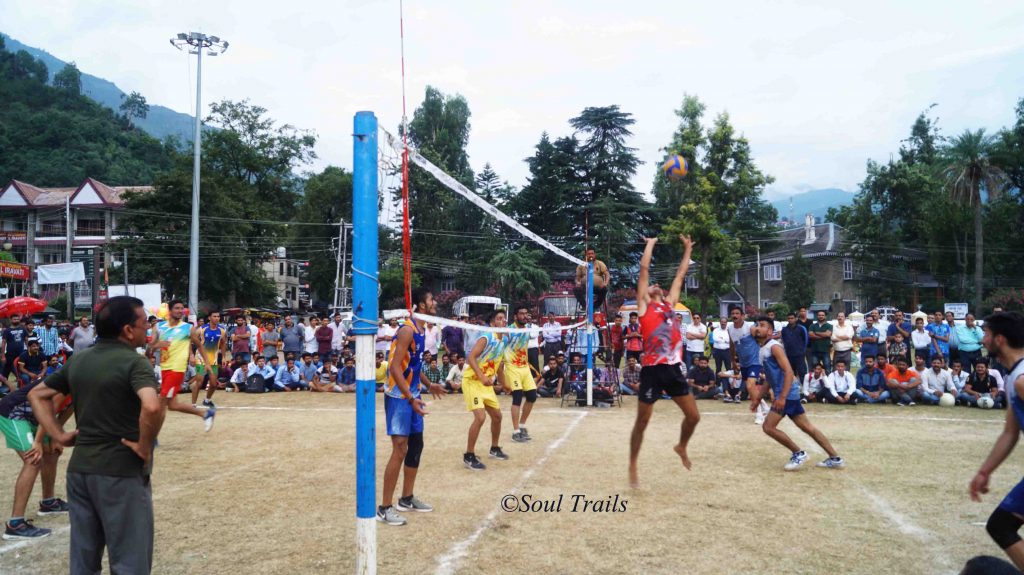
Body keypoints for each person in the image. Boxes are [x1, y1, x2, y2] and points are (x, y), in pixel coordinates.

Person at [28, 296, 166, 573]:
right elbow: (152, 405)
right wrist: (143, 444)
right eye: (143, 325)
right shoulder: (135, 363)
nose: (147, 331)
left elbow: (37, 394)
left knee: (83, 562)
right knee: (129, 561)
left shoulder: (79, 359)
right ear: (128, 330)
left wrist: (58, 435)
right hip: (121, 471)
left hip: (80, 472)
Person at [629, 235, 699, 489]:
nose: (654, 285)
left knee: (693, 417)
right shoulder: (644, 307)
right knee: (642, 422)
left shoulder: (669, 305)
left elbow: (680, 275)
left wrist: (687, 249)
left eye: (656, 285)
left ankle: (681, 445)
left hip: (673, 368)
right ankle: (633, 463)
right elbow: (644, 270)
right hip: (651, 370)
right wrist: (650, 243)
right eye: (650, 286)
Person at [378, 288, 445, 526]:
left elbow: (413, 365)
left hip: (413, 392)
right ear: (421, 305)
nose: (434, 301)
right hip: (399, 396)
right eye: (431, 298)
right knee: (399, 448)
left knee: (416, 444)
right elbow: (394, 368)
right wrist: (410, 397)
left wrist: (429, 385)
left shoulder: (421, 330)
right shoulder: (407, 329)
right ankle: (384, 508)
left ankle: (406, 498)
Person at [751, 315, 844, 470]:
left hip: (787, 394)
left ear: (770, 331)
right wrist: (758, 398)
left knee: (768, 427)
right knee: (808, 428)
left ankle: (798, 453)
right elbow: (769, 378)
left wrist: (782, 397)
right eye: (757, 325)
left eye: (762, 325)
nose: (757, 327)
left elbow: (788, 372)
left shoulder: (774, 347)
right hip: (788, 393)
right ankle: (835, 458)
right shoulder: (763, 349)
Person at [969, 311, 1024, 570]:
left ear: (999, 339)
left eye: (987, 334)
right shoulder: (1014, 376)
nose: (983, 340)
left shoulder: (1022, 379)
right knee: (1001, 526)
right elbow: (1010, 432)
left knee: (1001, 526)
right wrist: (985, 471)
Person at [0, 363, 72, 540]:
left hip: (35, 416)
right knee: (34, 459)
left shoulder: (85, 384)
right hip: (14, 412)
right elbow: (50, 409)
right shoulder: (67, 380)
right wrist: (38, 441)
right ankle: (15, 525)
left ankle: (48, 503)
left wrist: (56, 436)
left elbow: (67, 410)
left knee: (52, 453)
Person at [149, 300, 215, 430]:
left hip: (177, 369)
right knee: (173, 405)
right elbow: (151, 347)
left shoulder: (187, 328)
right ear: (169, 310)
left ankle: (152, 437)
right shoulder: (159, 327)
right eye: (177, 308)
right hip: (165, 368)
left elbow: (199, 345)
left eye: (182, 309)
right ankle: (206, 414)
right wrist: (157, 345)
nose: (180, 311)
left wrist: (207, 363)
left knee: (161, 403)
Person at [462, 309, 509, 471]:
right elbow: (471, 357)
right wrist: (481, 376)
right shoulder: (486, 336)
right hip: (472, 381)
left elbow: (499, 367)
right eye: (499, 318)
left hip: (486, 384)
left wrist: (505, 384)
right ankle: (469, 455)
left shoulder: (502, 342)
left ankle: (494, 448)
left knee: (497, 416)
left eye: (504, 318)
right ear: (492, 322)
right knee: (480, 418)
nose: (503, 321)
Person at [505, 305, 539, 443]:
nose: (525, 316)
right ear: (515, 316)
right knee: (517, 397)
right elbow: (501, 345)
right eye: (521, 314)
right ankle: (515, 431)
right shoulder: (509, 331)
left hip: (524, 367)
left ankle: (522, 425)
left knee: (532, 396)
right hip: (512, 367)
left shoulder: (527, 329)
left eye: (526, 313)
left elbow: (535, 334)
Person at [728, 306, 764, 422]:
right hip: (743, 363)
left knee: (749, 386)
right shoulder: (730, 328)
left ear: (742, 316)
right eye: (733, 313)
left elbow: (762, 340)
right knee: (751, 388)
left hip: (755, 361)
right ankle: (765, 407)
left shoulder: (750, 327)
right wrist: (733, 361)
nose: (735, 315)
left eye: (737, 313)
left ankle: (759, 413)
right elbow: (732, 345)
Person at [191, 311, 226, 409]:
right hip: (200, 359)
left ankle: (207, 400)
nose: (216, 318)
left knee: (214, 384)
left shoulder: (222, 330)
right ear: (209, 318)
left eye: (218, 316)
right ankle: (193, 404)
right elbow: (191, 340)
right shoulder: (202, 329)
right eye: (214, 316)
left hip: (213, 360)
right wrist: (191, 355)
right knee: (199, 382)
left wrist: (223, 357)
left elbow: (223, 343)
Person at [780, 312, 809, 382]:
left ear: (796, 319)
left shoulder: (801, 328)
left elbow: (806, 340)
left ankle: (805, 391)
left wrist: (802, 351)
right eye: (789, 318)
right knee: (791, 374)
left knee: (802, 374)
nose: (790, 320)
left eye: (792, 318)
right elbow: (783, 341)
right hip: (789, 355)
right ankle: (793, 390)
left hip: (799, 355)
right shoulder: (784, 330)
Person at [1, 314, 28, 386]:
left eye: (17, 319)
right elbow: (3, 343)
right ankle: (4, 387)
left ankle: (21, 385)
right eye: (14, 319)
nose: (16, 320)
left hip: (21, 354)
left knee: (21, 371)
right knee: (6, 371)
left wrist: (28, 351)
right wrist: (3, 356)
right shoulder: (7, 330)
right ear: (11, 320)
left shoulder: (23, 329)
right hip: (10, 354)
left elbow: (26, 340)